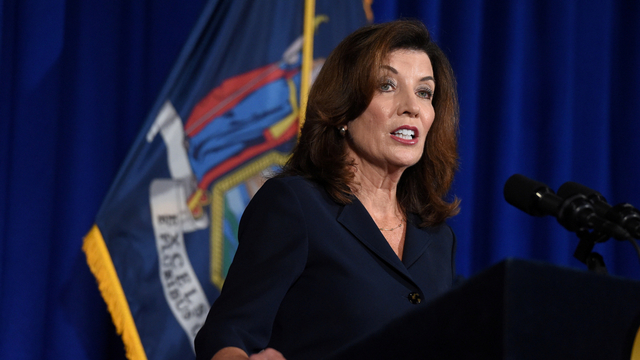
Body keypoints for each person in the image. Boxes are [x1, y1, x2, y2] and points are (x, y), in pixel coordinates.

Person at [194, 19, 460, 360]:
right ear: (344, 109)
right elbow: (228, 333)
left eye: (424, 92)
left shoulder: (437, 237)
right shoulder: (297, 206)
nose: (412, 106)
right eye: (387, 85)